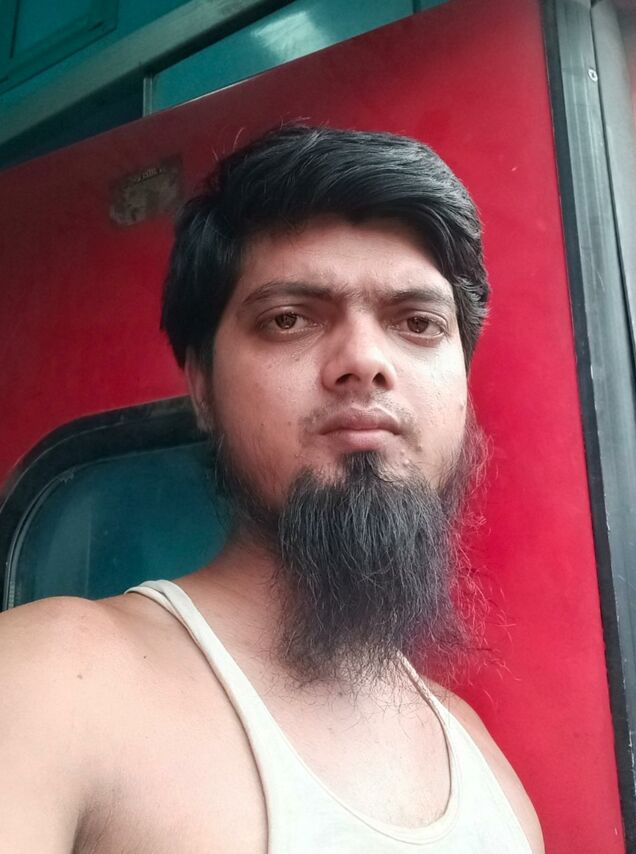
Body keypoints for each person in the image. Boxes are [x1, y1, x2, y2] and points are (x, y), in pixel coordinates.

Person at [0, 125, 544, 853]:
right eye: (289, 319)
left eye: (418, 323)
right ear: (202, 387)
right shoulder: (49, 684)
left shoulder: (485, 773)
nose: (364, 360)